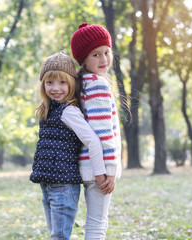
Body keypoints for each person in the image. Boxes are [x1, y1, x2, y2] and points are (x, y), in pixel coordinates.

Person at [30, 52, 105, 240]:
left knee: (59, 236)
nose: (56, 88)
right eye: (50, 82)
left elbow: (92, 140)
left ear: (71, 83)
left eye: (62, 82)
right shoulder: (47, 111)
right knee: (56, 235)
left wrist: (100, 172)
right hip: (48, 185)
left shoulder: (69, 111)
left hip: (63, 186)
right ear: (43, 84)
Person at [70, 22, 122, 239]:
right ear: (83, 59)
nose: (104, 59)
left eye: (107, 52)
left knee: (95, 221)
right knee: (97, 223)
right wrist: (109, 169)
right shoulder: (98, 85)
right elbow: (103, 133)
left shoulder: (82, 83)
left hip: (86, 163)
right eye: (96, 54)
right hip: (99, 167)